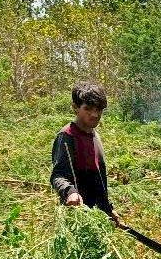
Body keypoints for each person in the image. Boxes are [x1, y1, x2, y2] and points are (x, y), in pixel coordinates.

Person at [50, 82, 122, 228]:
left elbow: (99, 178)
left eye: (99, 109)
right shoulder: (67, 136)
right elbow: (57, 175)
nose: (95, 114)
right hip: (77, 216)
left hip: (97, 216)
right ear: (75, 108)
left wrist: (107, 208)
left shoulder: (95, 136)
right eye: (88, 109)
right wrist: (70, 192)